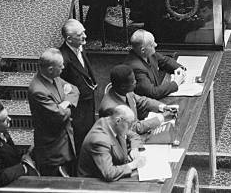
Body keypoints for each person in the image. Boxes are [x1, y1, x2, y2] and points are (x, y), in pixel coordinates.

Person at [28, 48, 80, 176]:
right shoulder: (38, 90)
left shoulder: (54, 77)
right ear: (50, 69)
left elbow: (74, 90)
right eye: (60, 66)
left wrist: (65, 103)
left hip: (66, 141)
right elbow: (59, 116)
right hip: (52, 151)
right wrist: (65, 105)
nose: (63, 67)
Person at [0, 99, 39, 187]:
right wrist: (23, 167)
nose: (10, 119)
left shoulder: (1, 130)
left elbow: (11, 153)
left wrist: (27, 154)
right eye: (4, 120)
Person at [98, 64, 176, 134]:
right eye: (132, 81)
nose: (135, 82)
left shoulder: (124, 91)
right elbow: (133, 128)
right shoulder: (111, 109)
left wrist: (164, 107)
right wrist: (162, 117)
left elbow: (143, 101)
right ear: (123, 86)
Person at [58, 19, 97, 154]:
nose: (85, 36)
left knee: (90, 132)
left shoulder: (79, 46)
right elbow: (62, 87)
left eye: (84, 32)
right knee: (81, 138)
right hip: (77, 107)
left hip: (88, 100)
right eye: (80, 35)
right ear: (69, 39)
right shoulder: (63, 58)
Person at [77, 106, 145, 181]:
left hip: (115, 168)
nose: (130, 128)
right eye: (129, 125)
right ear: (118, 121)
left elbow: (133, 135)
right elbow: (109, 173)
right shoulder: (99, 140)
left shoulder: (112, 122)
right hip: (94, 182)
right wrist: (132, 165)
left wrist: (134, 149)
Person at [124, 29, 186, 99]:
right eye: (152, 44)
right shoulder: (136, 68)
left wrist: (179, 68)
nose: (156, 45)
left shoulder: (148, 53)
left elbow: (165, 61)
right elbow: (153, 93)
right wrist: (176, 83)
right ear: (143, 50)